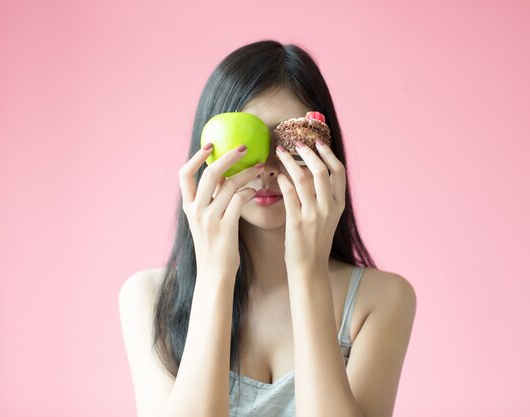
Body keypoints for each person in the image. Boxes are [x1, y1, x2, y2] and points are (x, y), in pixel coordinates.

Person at [119, 40, 417, 417]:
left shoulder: (382, 300)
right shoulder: (148, 297)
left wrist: (307, 271)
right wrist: (215, 277)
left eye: (291, 145)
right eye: (249, 143)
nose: (268, 170)